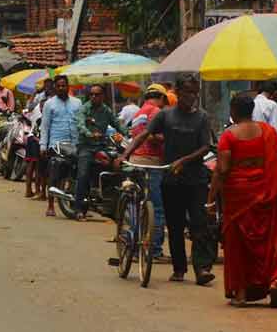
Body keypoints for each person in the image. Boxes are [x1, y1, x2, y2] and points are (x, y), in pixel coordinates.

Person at [119, 74, 216, 286]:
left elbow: (205, 147)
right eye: (188, 92)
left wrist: (184, 160)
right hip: (171, 180)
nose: (192, 97)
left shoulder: (202, 117)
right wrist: (126, 153)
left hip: (196, 179)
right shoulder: (165, 116)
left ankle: (202, 269)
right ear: (178, 93)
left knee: (199, 224)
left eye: (194, 93)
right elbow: (144, 134)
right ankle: (179, 269)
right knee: (175, 225)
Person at [208, 93, 277, 307]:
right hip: (267, 193)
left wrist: (210, 198)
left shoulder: (229, 136)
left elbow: (223, 169)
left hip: (238, 197)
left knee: (238, 244)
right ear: (252, 110)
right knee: (270, 241)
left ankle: (241, 294)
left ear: (233, 112)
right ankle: (274, 281)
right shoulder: (269, 132)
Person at [127, 84, 169, 260]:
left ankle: (133, 247)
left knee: (136, 206)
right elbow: (151, 136)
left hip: (136, 161)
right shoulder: (156, 112)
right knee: (157, 208)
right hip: (152, 163)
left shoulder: (138, 113)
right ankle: (155, 250)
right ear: (161, 97)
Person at [74, 85, 127, 220]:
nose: (94, 97)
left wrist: (129, 133)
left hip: (101, 145)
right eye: (91, 94)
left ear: (103, 96)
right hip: (85, 146)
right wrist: (90, 133)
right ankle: (79, 208)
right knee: (83, 174)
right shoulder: (84, 108)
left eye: (97, 94)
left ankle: (109, 204)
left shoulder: (106, 110)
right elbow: (80, 124)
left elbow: (117, 124)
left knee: (115, 167)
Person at [40, 75, 82, 217]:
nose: (61, 88)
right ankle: (51, 205)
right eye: (58, 86)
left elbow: (81, 123)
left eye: (64, 85)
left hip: (74, 143)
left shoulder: (77, 103)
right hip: (56, 144)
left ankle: (73, 203)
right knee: (54, 174)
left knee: (74, 173)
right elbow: (45, 126)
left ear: (68, 86)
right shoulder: (49, 104)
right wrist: (43, 146)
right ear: (55, 87)